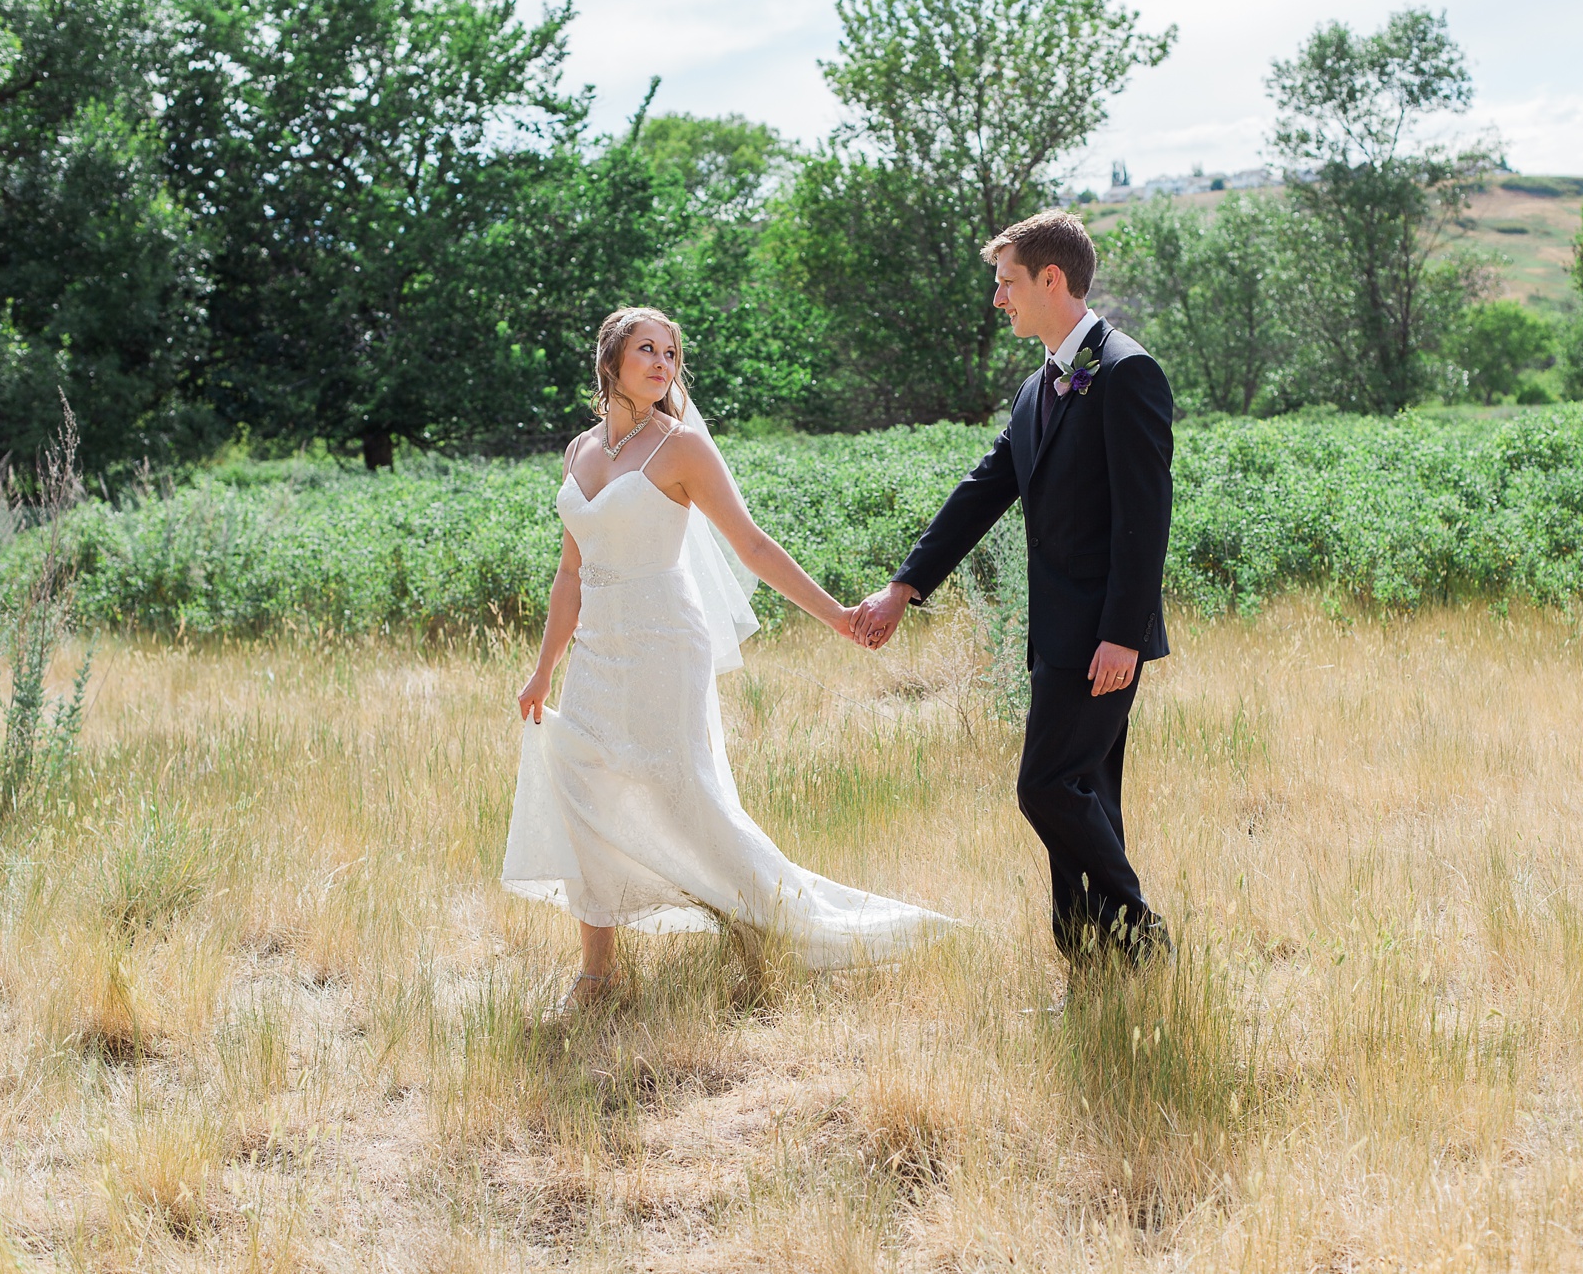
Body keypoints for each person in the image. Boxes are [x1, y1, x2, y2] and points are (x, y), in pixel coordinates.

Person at [503, 307, 950, 1015]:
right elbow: (569, 574)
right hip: (596, 652)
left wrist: (835, 614)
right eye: (646, 348)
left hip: (663, 645)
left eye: (672, 353)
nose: (662, 361)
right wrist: (543, 668)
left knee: (687, 797)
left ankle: (769, 926)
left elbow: (754, 545)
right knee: (582, 785)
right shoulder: (579, 451)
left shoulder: (681, 450)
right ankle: (597, 971)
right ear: (610, 360)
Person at [852, 209, 1175, 969]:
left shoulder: (1127, 372)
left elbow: (1144, 518)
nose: (999, 298)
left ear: (1050, 279)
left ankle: (1144, 932)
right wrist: (905, 586)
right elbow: (984, 488)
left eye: (1007, 283)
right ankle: (1093, 955)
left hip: (1103, 638)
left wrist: (1123, 634)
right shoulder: (1040, 385)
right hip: (1056, 637)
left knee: (1046, 787)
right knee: (1087, 794)